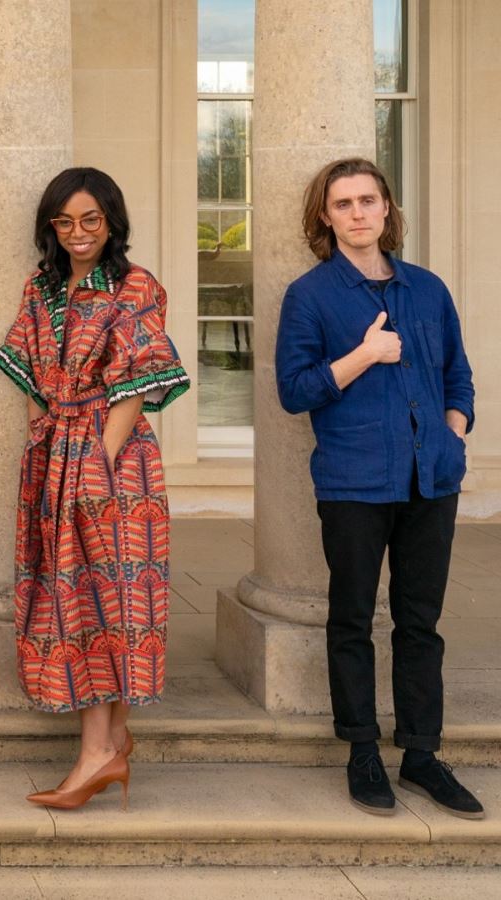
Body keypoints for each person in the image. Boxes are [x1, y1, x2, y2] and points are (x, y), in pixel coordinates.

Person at [276, 157, 482, 820]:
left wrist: (454, 433)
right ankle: (363, 751)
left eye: (369, 200)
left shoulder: (428, 290)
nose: (359, 213)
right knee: (353, 619)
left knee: (420, 623)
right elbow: (294, 390)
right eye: (344, 204)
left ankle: (421, 755)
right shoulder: (310, 297)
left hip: (432, 478)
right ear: (325, 218)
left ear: (387, 209)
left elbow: (459, 377)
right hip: (355, 482)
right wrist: (364, 354)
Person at [0, 167, 189, 811]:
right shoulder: (41, 286)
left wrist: (94, 466)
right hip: (56, 456)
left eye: (91, 221)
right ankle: (114, 739)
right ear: (52, 226)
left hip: (114, 466)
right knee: (71, 601)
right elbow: (28, 376)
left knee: (113, 604)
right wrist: (44, 449)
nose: (78, 234)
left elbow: (137, 385)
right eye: (65, 222)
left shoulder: (135, 288)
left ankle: (96, 755)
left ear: (113, 222)